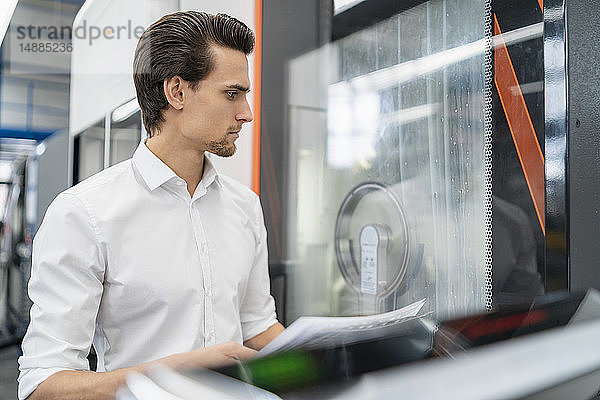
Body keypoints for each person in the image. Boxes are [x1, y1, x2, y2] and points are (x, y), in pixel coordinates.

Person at [18, 11, 284, 400]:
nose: (246, 112)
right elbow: (43, 386)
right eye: (232, 93)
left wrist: (339, 354)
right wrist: (171, 373)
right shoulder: (83, 214)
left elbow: (258, 326)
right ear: (176, 92)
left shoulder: (245, 206)